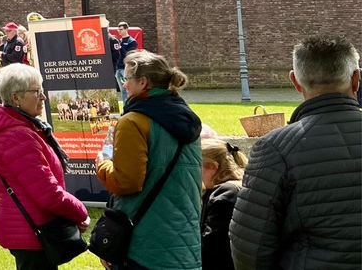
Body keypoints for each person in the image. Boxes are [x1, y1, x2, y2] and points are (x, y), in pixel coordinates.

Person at [230, 35, 361, 270]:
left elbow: (250, 246)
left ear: (295, 81)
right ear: (356, 79)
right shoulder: (276, 148)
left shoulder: (275, 148)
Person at [96, 51, 202, 270]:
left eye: (126, 78)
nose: (124, 85)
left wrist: (103, 164)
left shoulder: (133, 122)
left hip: (144, 243)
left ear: (143, 82)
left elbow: (126, 182)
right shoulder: (187, 117)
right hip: (184, 237)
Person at [0, 64, 89, 270]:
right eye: (36, 91)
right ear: (16, 98)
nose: (43, 97)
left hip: (33, 228)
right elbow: (48, 193)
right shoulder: (17, 136)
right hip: (31, 232)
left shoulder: (24, 129)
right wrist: (80, 212)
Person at [200, 139, 247, 270]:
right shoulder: (241, 185)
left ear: (213, 167)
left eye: (198, 166)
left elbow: (212, 244)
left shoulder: (226, 193)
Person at [110, 22, 139, 103]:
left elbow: (128, 55)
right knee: (122, 90)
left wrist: (120, 47)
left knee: (128, 89)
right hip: (118, 68)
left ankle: (131, 104)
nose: (119, 31)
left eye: (121, 29)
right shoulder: (119, 41)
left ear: (126, 29)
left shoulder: (132, 41)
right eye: (118, 29)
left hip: (126, 68)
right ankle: (125, 106)